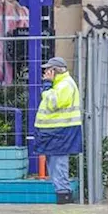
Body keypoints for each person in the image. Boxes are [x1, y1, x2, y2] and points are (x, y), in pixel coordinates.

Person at [35, 56, 82, 205]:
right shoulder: (60, 84)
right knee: (54, 167)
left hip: (60, 133)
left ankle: (64, 202)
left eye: (48, 70)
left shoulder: (65, 85)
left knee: (59, 167)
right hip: (54, 132)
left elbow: (53, 104)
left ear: (55, 70)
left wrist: (47, 85)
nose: (45, 73)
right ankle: (62, 199)